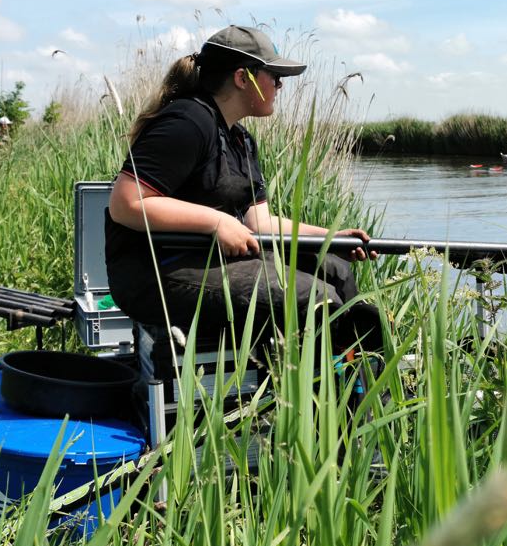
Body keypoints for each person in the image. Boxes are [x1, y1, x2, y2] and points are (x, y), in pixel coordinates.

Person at [105, 24, 382, 360]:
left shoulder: (240, 139)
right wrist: (216, 222)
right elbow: (126, 204)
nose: (280, 86)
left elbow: (260, 224)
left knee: (335, 269)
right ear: (242, 78)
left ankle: (358, 370)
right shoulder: (187, 122)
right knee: (312, 296)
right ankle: (322, 384)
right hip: (155, 274)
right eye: (274, 77)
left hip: (212, 261)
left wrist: (331, 237)